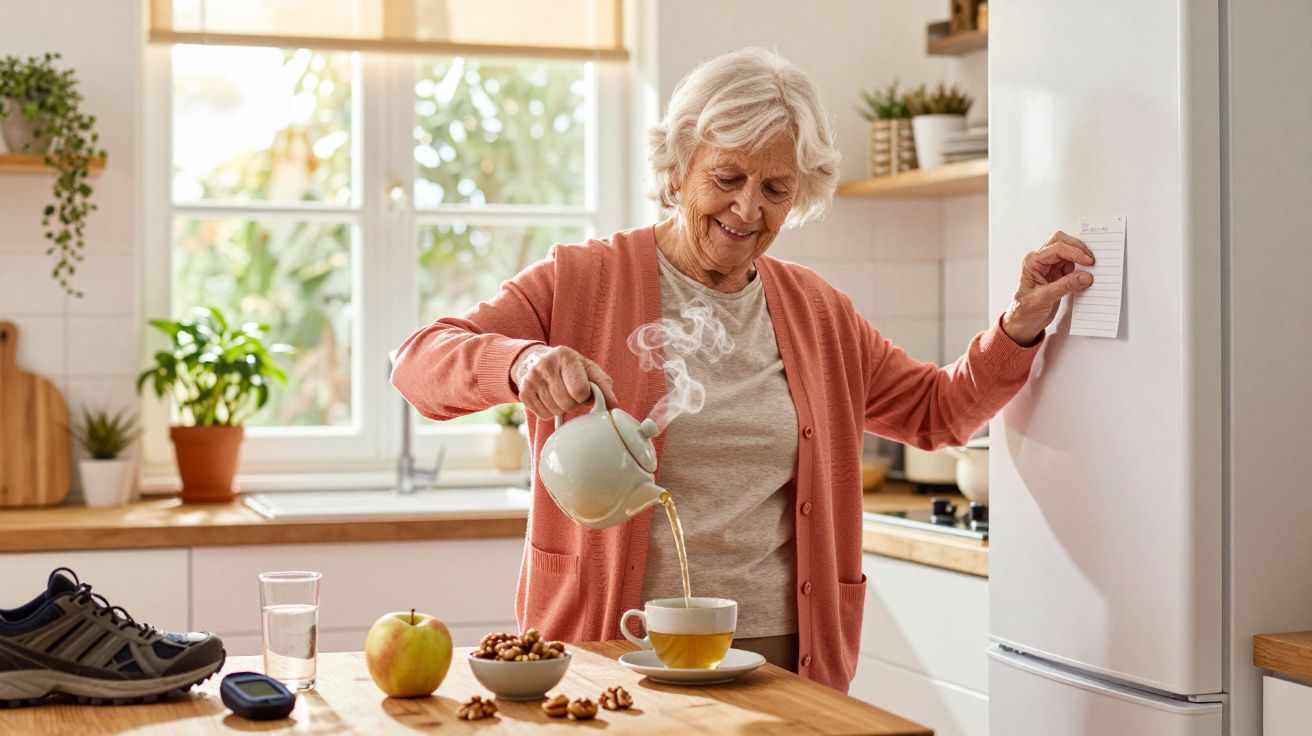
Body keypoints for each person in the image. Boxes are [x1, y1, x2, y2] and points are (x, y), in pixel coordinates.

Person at [391, 48, 1094, 692]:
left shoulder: (818, 313)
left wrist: (1020, 322)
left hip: (779, 666)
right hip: (613, 657)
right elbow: (418, 362)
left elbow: (939, 412)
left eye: (776, 189)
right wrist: (522, 361)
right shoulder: (582, 280)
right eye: (726, 177)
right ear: (678, 167)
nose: (748, 209)